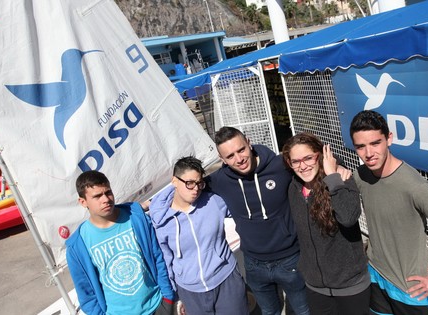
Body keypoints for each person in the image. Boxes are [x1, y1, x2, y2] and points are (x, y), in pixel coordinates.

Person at [349, 110, 428, 315]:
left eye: (375, 143)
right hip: (375, 277)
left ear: (389, 139)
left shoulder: (414, 186)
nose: (368, 153)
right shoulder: (361, 175)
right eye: (361, 146)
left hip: (411, 289)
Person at [206, 126, 310, 315]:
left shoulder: (280, 165)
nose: (239, 159)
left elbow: (311, 162)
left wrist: (338, 169)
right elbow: (187, 186)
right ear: (222, 160)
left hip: (290, 260)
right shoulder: (220, 180)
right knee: (269, 312)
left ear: (249, 142)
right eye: (230, 156)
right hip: (254, 264)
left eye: (241, 150)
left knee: (304, 311)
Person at [281, 132, 370, 315]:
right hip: (315, 286)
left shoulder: (341, 178)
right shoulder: (293, 187)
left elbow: (348, 217)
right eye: (296, 161)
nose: (303, 166)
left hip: (350, 285)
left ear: (320, 155)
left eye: (308, 158)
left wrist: (332, 178)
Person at [149, 156, 249, 315]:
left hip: (226, 279)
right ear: (174, 181)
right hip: (190, 291)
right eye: (189, 183)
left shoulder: (214, 202)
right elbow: (166, 259)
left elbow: (246, 212)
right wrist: (175, 295)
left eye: (199, 183)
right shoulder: (160, 219)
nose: (195, 189)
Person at [66, 170, 175, 315]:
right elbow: (85, 293)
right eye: (97, 196)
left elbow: (158, 258)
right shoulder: (77, 246)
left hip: (158, 306)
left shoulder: (136, 218)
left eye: (108, 192)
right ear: (83, 202)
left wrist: (167, 298)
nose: (106, 199)